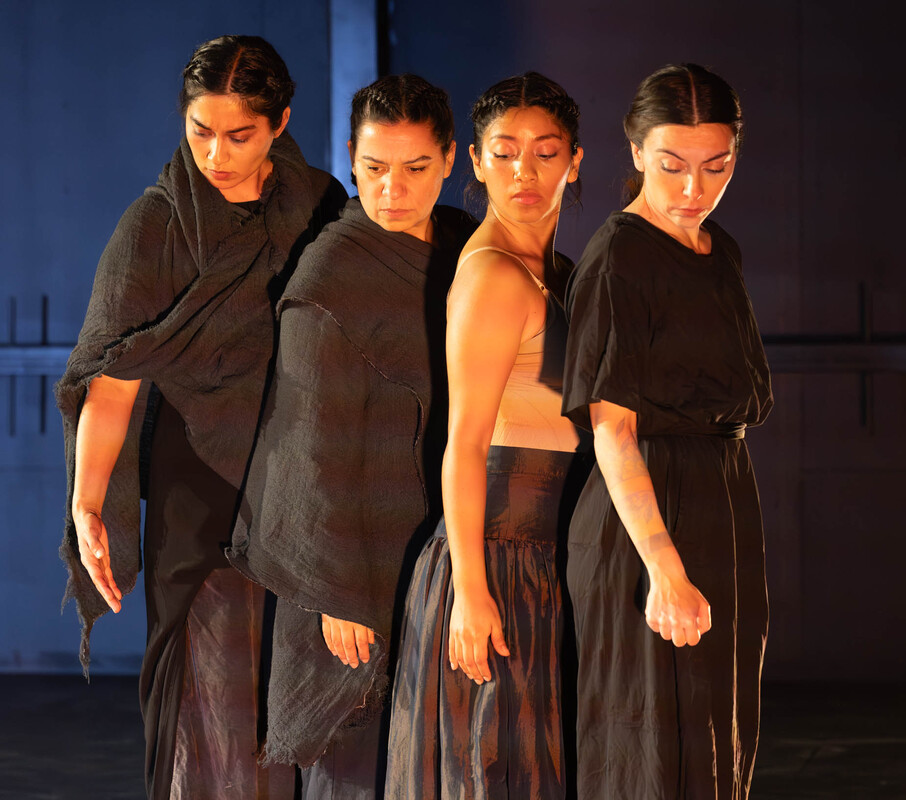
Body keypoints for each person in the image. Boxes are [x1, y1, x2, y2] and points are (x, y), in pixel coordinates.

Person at [55, 35, 346, 799]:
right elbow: (113, 380)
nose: (216, 154)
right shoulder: (154, 225)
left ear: (281, 122)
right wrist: (88, 501)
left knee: (301, 681)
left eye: (239, 135)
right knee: (208, 690)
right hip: (198, 481)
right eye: (200, 131)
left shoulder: (320, 207)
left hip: (297, 481)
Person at [227, 75, 475, 797]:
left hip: (437, 541)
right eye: (373, 168)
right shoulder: (331, 269)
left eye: (416, 168)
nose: (391, 190)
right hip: (348, 564)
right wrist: (333, 592)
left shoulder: (466, 249)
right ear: (350, 158)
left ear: (451, 158)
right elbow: (310, 446)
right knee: (355, 761)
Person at [561, 64, 773, 799]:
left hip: (721, 504)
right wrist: (665, 567)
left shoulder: (722, 250)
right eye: (672, 164)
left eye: (716, 166)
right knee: (646, 748)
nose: (694, 187)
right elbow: (612, 433)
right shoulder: (620, 256)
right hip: (644, 521)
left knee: (716, 735)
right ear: (636, 151)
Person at [384, 72, 584, 800]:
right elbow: (464, 441)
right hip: (496, 558)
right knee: (495, 771)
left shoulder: (557, 271)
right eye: (503, 153)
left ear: (575, 161)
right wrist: (470, 590)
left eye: (544, 153)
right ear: (475, 160)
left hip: (544, 555)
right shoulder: (495, 274)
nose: (523, 172)